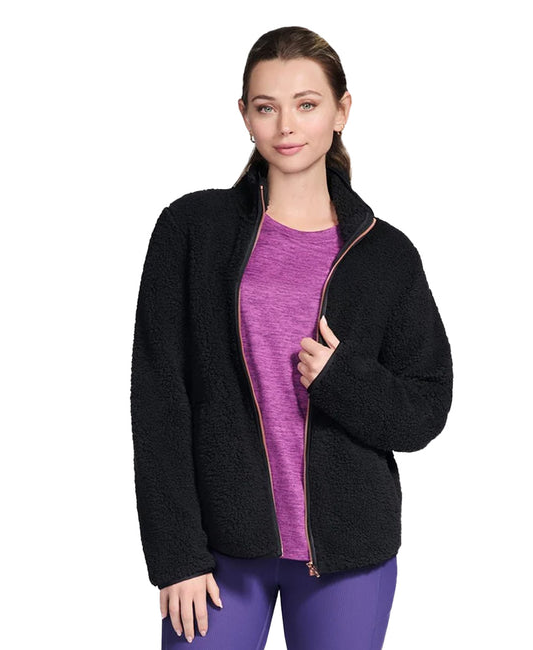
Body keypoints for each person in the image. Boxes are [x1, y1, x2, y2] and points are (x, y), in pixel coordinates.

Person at [130, 25, 453, 649]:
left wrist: (342, 381)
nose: (286, 126)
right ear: (244, 115)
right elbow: (160, 399)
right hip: (218, 549)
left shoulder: (386, 255)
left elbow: (425, 407)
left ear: (341, 111)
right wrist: (176, 554)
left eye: (306, 104)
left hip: (349, 551)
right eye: (266, 107)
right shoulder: (191, 230)